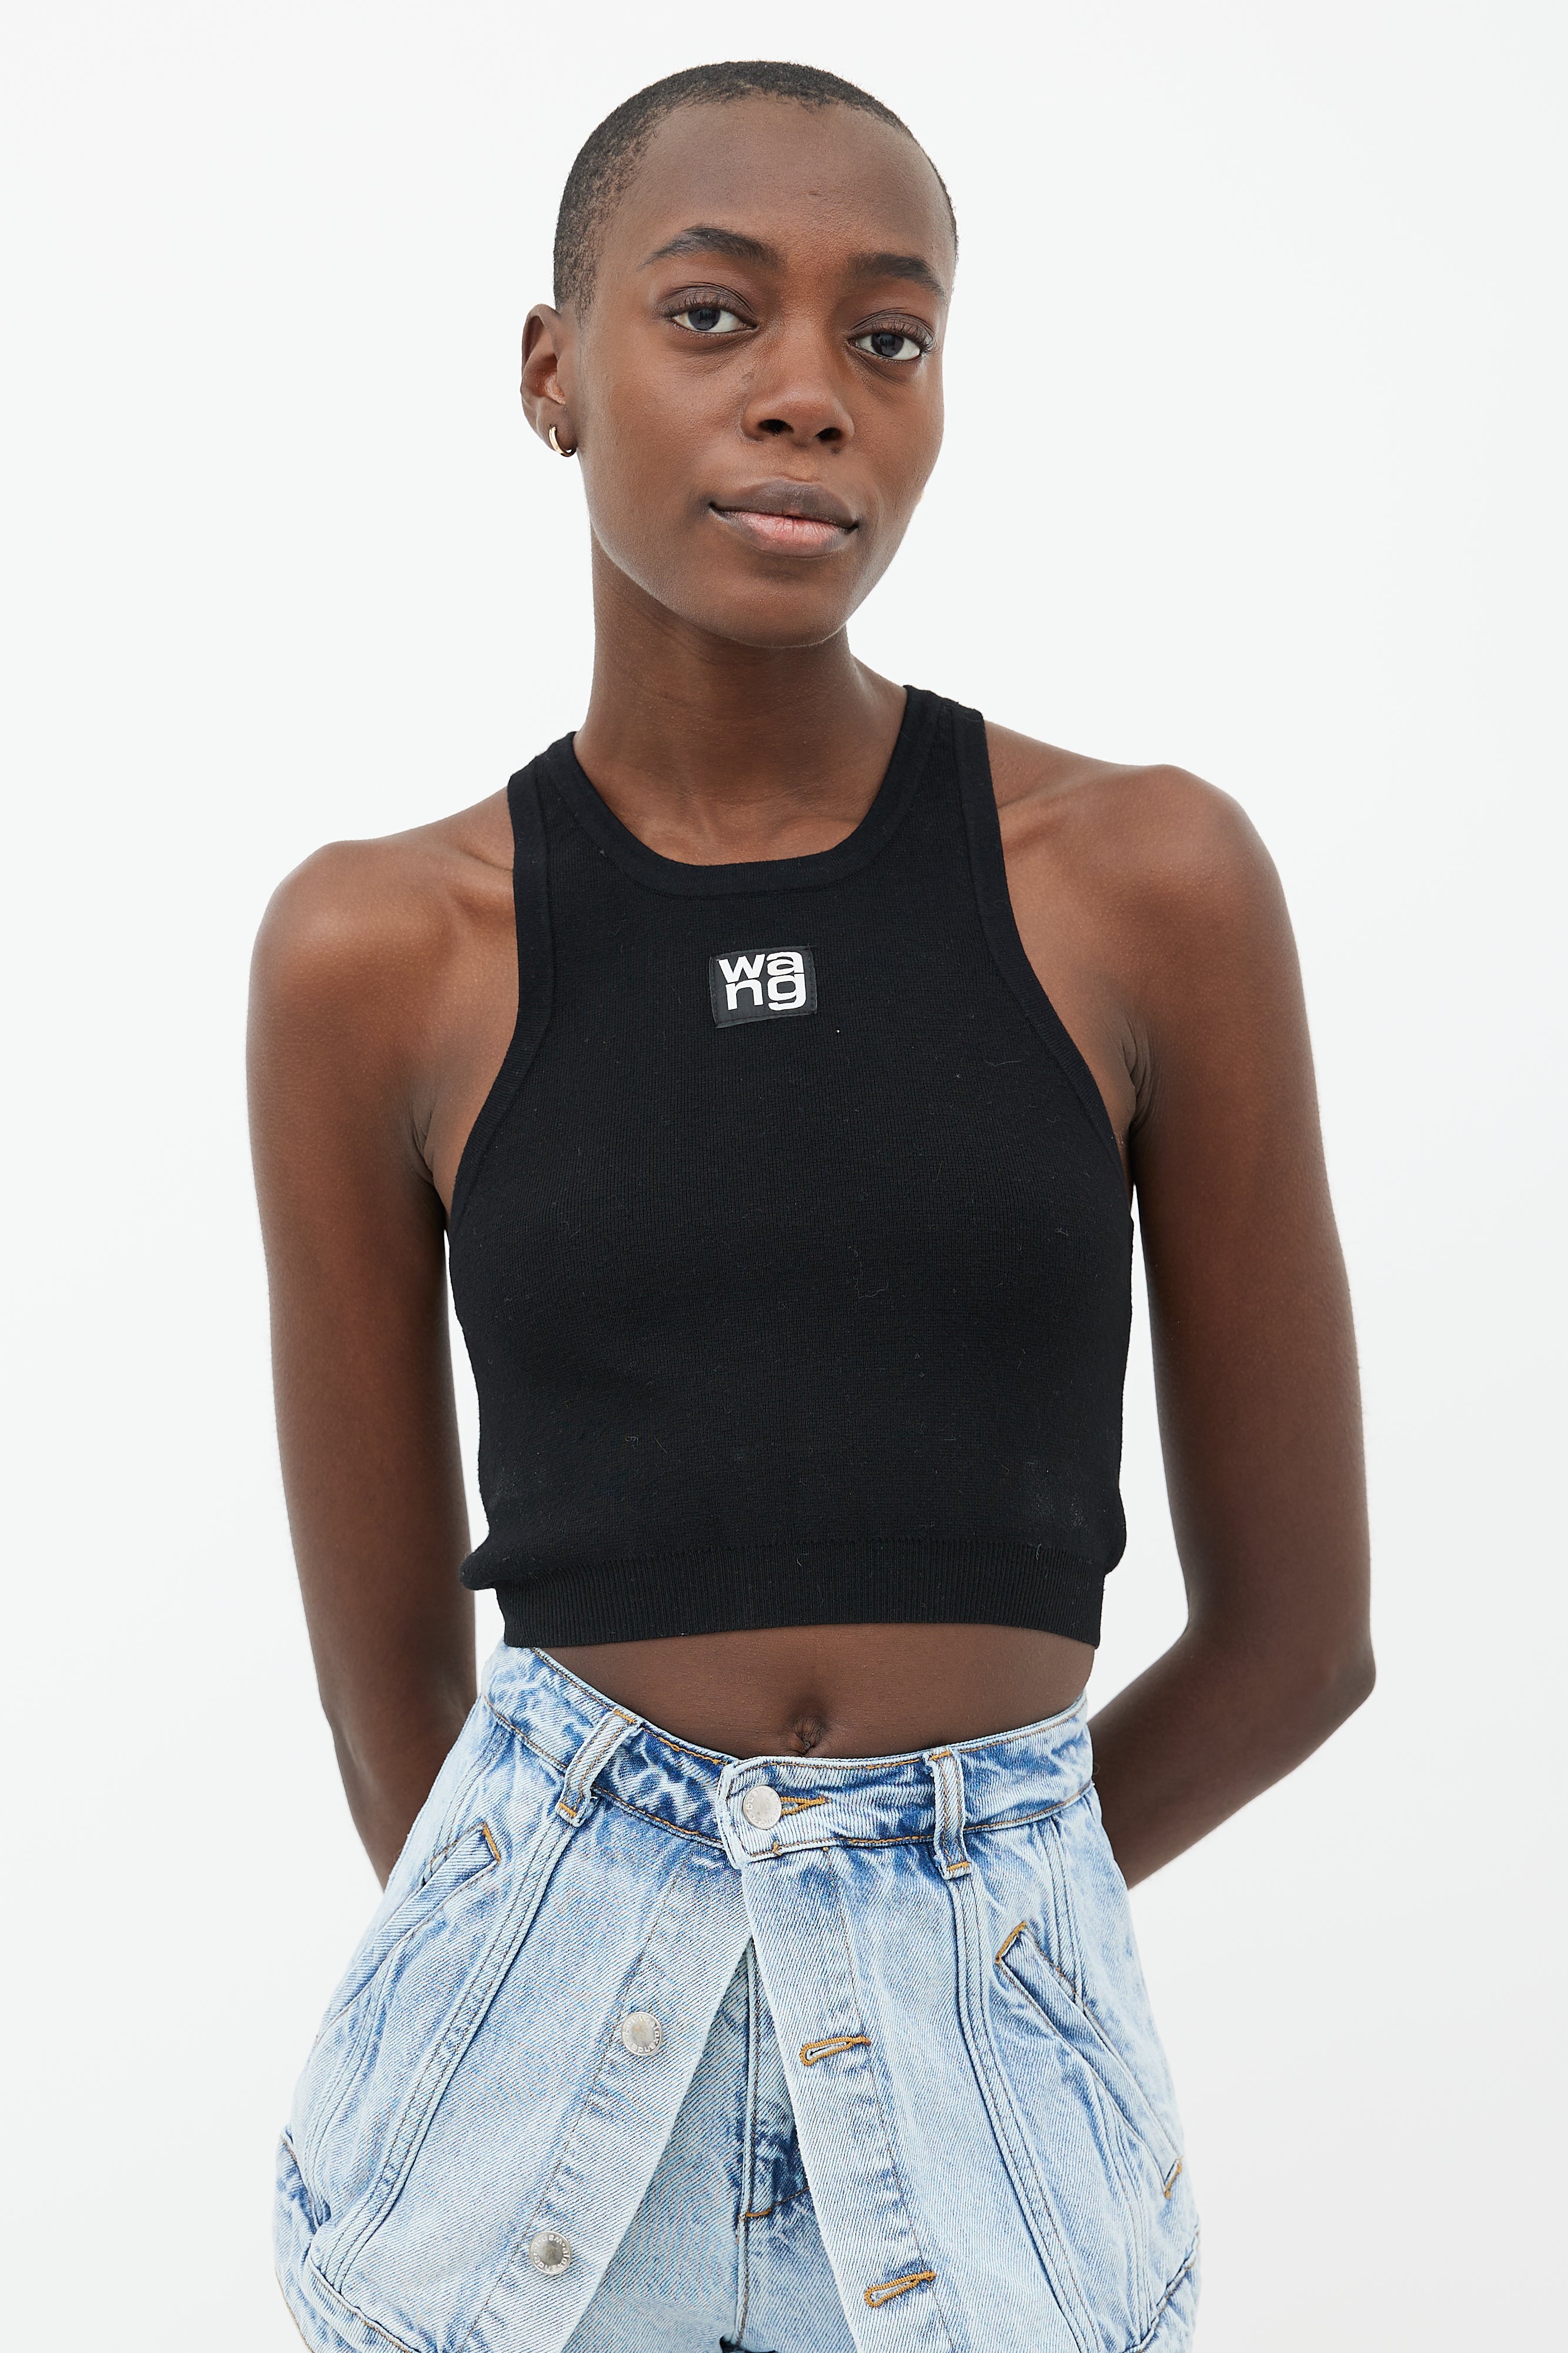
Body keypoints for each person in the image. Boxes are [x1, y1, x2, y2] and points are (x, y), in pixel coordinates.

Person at [252, 59, 1373, 2353]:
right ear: (551, 373)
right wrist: (621, 1925)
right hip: (515, 2148)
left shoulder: (1144, 885)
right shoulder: (380, 951)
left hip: (998, 2143)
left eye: (888, 334)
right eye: (711, 314)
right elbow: (394, 1700)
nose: (808, 393)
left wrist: (948, 1907)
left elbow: (1302, 1639)